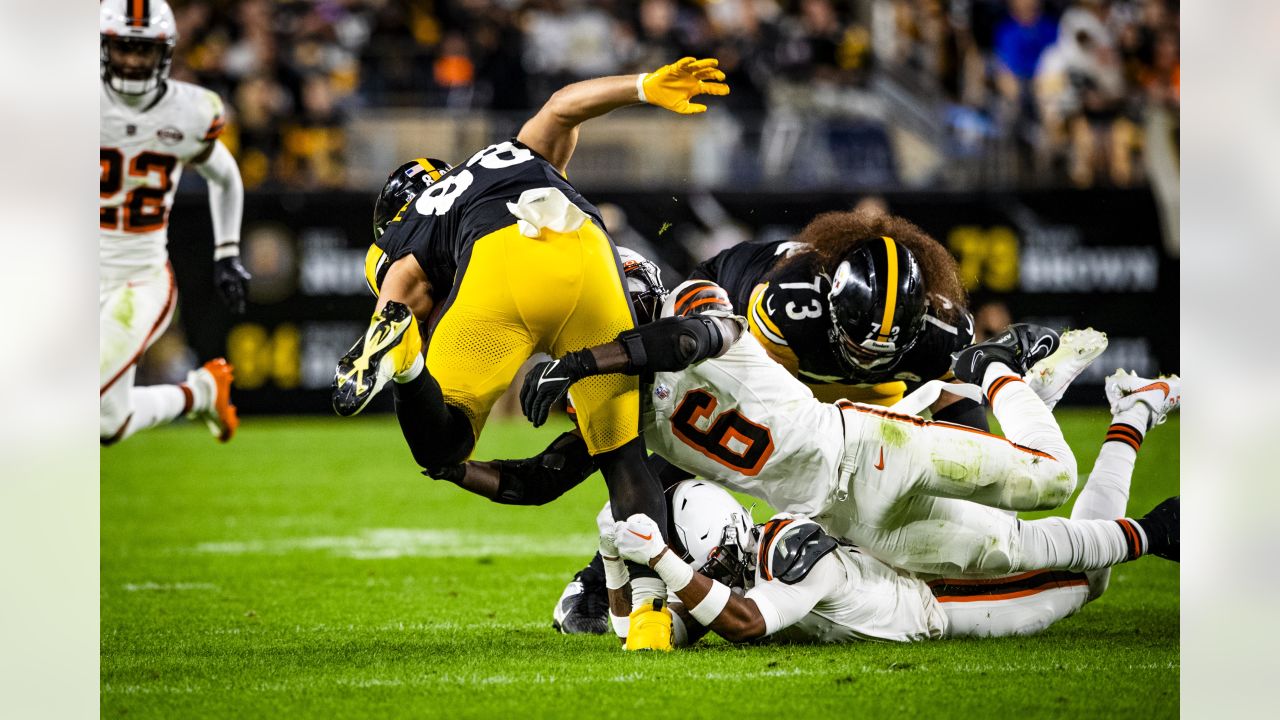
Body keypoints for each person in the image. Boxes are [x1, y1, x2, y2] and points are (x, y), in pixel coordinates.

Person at [329, 58, 730, 650]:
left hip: (501, 271)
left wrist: (394, 338)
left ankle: (408, 365)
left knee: (442, 436)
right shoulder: (506, 156)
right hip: (589, 255)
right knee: (623, 459)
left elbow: (402, 292)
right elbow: (565, 103)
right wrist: (643, 87)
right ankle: (648, 623)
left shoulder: (407, 227)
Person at [517, 250, 1107, 631]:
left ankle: (1020, 378)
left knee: (1026, 487)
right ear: (832, 307)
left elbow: (958, 407)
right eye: (858, 336)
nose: (868, 351)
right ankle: (599, 572)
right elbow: (749, 394)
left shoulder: (939, 332)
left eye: (887, 341)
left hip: (857, 428)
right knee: (683, 453)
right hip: (783, 390)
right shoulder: (783, 307)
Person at [606, 376, 1178, 645]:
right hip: (914, 569)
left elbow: (746, 621)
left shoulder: (787, 550)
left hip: (939, 600)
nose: (704, 575)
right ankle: (1133, 415)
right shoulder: (737, 567)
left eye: (705, 561)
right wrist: (615, 557)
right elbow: (637, 630)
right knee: (1091, 576)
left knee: (1084, 572)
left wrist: (658, 555)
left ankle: (1155, 527)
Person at [99, 0, 249, 445]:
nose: (131, 60)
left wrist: (227, 254)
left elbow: (225, 176)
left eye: (142, 50)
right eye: (123, 47)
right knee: (108, 422)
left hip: (138, 280)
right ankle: (201, 392)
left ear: (164, 53)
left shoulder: (188, 112)